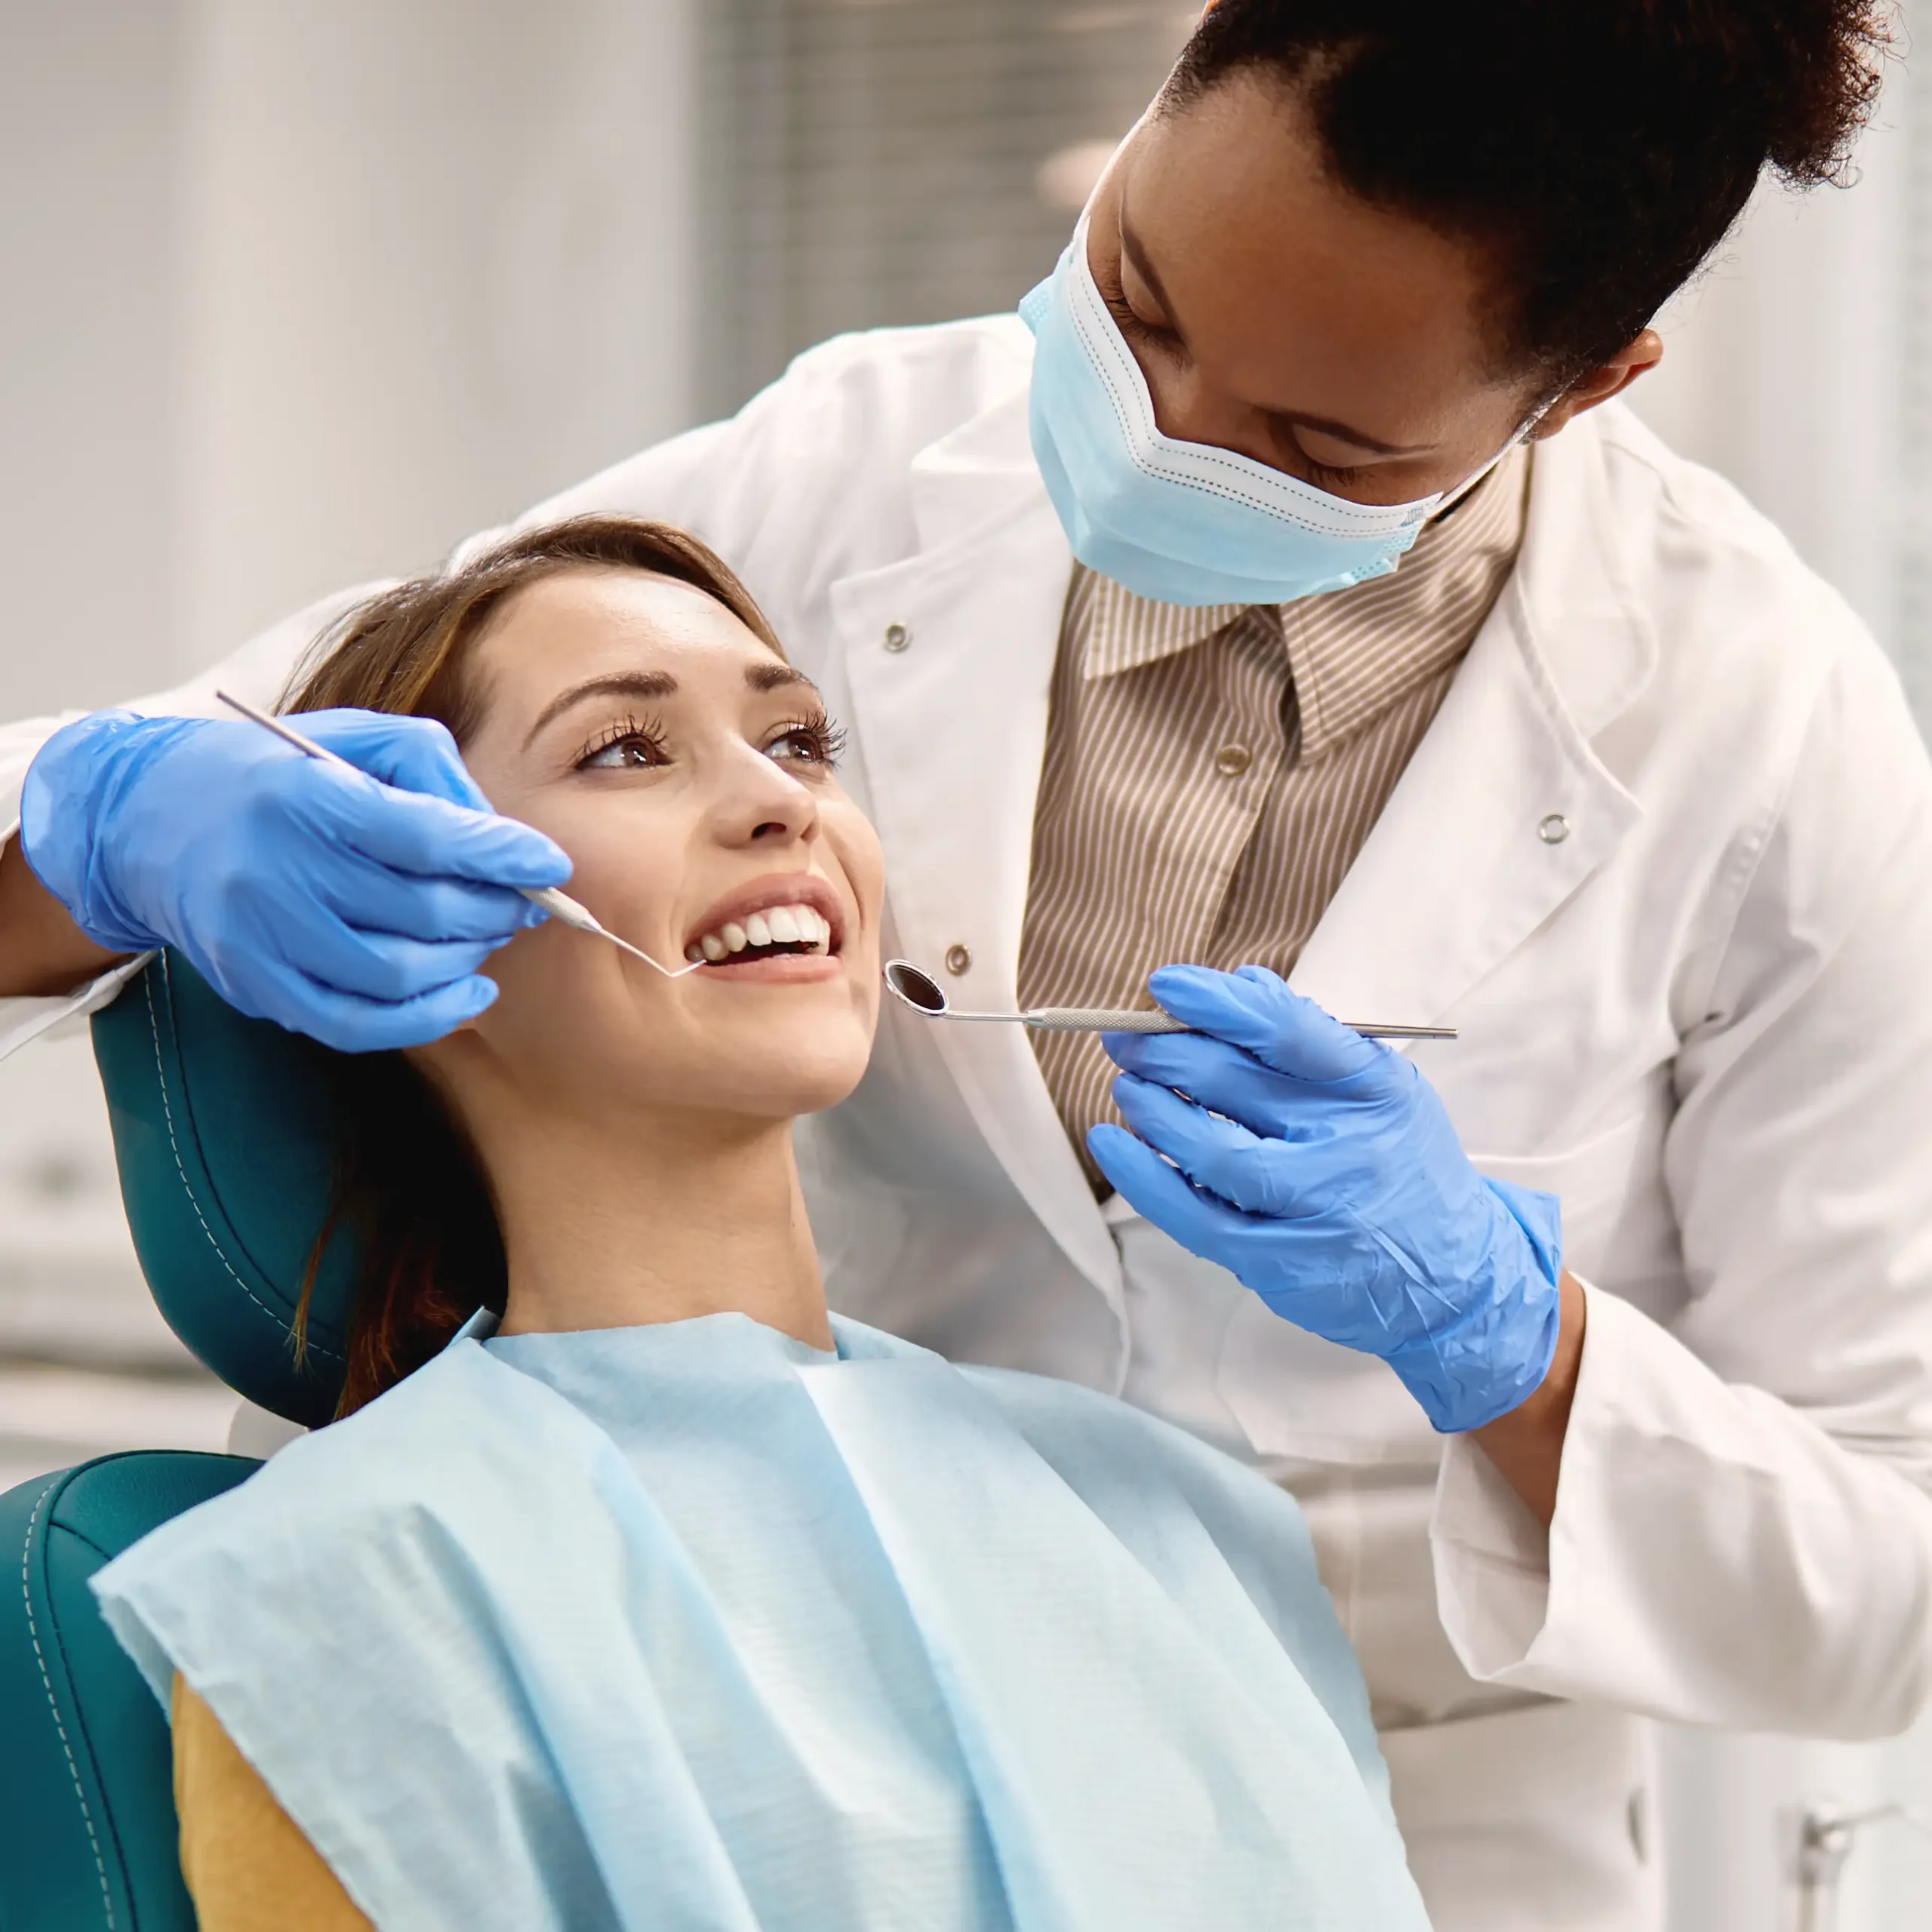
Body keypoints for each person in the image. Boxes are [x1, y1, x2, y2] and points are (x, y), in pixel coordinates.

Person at [2, 5, 1929, 1924]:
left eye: (1312, 443)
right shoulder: (373, 1602)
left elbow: (1881, 1580)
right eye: (1140, 302)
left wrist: (1513, 1345)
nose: (1161, 436)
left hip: (1379, 1765)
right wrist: (117, 820)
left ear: (1581, 387)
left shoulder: (1759, 729)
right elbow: (256, 754)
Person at [92, 515, 1432, 1932]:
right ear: (398, 920)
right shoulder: (338, 1598)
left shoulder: (1187, 1526)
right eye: (624, 749)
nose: (779, 802)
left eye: (798, 741)